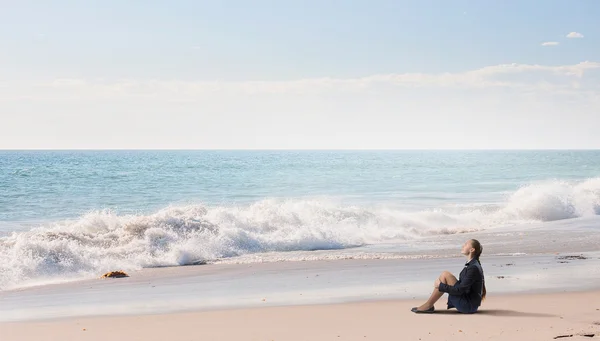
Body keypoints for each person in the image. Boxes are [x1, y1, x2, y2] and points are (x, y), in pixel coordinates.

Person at [411, 239, 486, 314]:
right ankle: (429, 305)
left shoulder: (473, 267)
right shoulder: (472, 264)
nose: (463, 246)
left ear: (472, 250)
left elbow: (460, 290)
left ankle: (428, 305)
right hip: (469, 303)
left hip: (468, 306)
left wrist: (441, 286)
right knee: (445, 274)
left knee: (445, 275)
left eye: (466, 244)